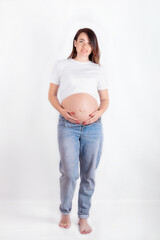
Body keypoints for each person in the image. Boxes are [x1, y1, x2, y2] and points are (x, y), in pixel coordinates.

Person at [48, 28, 109, 234]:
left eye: (89, 43)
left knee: (89, 175)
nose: (85, 46)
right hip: (67, 126)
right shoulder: (62, 66)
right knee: (69, 173)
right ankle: (65, 211)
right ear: (74, 43)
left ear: (93, 47)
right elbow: (52, 96)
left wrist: (99, 112)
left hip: (93, 128)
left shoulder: (98, 69)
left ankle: (83, 217)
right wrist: (62, 112)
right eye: (81, 41)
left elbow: (105, 100)